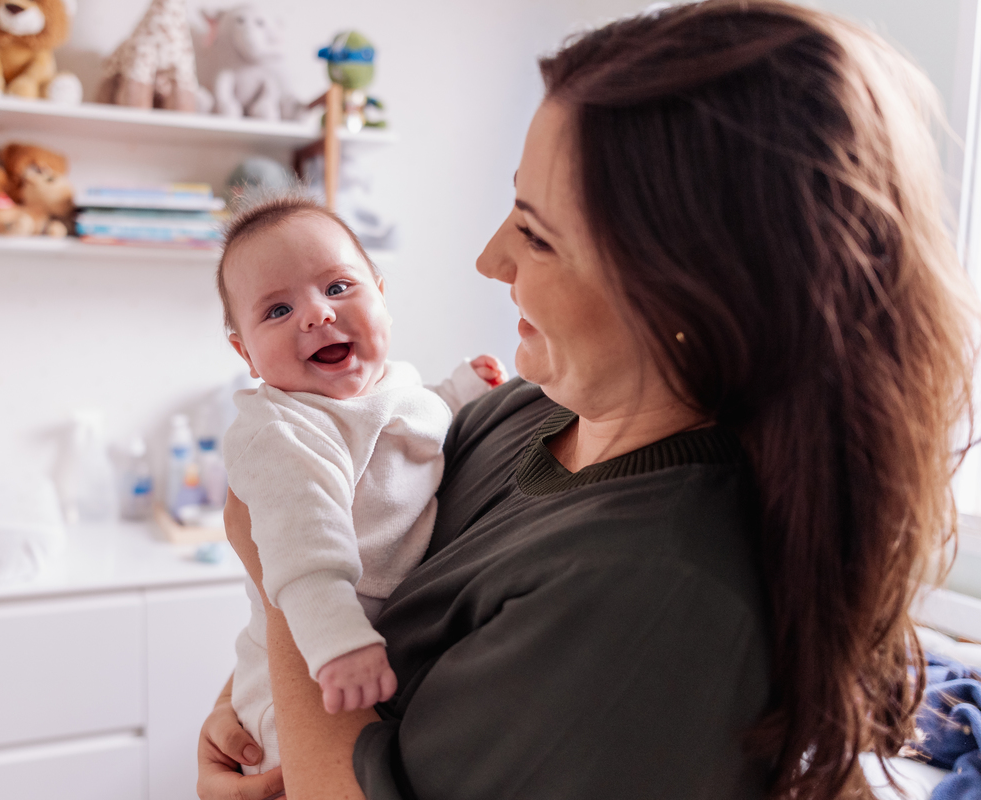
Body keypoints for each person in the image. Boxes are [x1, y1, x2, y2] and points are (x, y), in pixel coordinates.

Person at [198, 1, 978, 798]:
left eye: (536, 233)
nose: (490, 259)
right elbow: (368, 566)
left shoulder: (655, 590)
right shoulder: (522, 414)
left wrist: (267, 559)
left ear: (687, 284)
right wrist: (245, 712)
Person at [216, 193, 506, 775]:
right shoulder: (284, 431)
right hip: (305, 661)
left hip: (377, 633)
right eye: (278, 310)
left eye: (338, 287)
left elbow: (413, 421)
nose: (316, 315)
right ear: (246, 354)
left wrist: (461, 391)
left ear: (381, 295)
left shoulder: (391, 386)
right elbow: (304, 551)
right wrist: (338, 643)